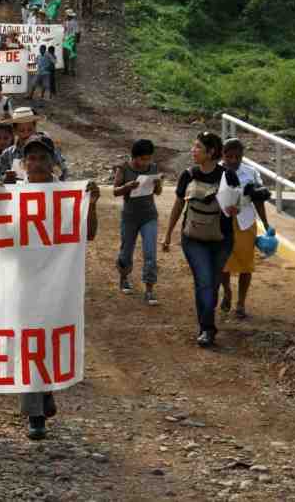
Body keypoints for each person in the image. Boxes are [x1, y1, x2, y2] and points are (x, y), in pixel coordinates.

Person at [6, 134, 99, 440]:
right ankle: (35, 413)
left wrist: (92, 203)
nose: (36, 163)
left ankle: (43, 391)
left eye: (42, 158)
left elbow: (89, 234)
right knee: (28, 342)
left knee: (46, 343)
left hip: (57, 283)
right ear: (23, 163)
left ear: (53, 162)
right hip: (23, 282)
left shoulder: (65, 194)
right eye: (30, 158)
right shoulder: (13, 193)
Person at [162, 132, 239, 348]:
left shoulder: (228, 176)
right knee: (204, 281)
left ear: (211, 152)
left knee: (211, 285)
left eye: (198, 147)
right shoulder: (188, 175)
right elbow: (179, 205)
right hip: (193, 238)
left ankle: (206, 319)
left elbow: (238, 206)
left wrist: (234, 209)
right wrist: (168, 233)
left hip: (221, 239)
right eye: (194, 146)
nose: (193, 151)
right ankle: (207, 328)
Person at [219, 138, 271, 319]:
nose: (233, 160)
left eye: (237, 157)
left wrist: (265, 223)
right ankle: (226, 291)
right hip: (222, 223)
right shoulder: (216, 172)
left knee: (246, 265)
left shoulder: (251, 173)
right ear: (222, 155)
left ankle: (241, 302)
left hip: (246, 223)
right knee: (222, 265)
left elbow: (259, 200)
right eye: (229, 156)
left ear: (242, 156)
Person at [113, 139, 162, 305]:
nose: (145, 162)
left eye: (148, 159)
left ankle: (149, 290)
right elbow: (115, 191)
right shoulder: (123, 168)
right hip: (130, 217)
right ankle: (124, 277)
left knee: (150, 254)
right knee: (126, 251)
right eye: (142, 159)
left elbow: (159, 192)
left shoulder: (153, 168)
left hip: (149, 216)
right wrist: (127, 186)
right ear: (134, 157)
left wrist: (157, 184)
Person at [0, 107, 68, 182]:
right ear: (15, 131)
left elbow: (64, 172)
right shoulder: (7, 154)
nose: (26, 134)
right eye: (22, 130)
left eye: (30, 129)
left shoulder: (49, 150)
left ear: (35, 127)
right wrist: (5, 179)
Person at [63, 9, 80, 76]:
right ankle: (69, 70)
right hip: (69, 40)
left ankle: (70, 70)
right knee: (69, 55)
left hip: (70, 40)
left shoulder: (73, 22)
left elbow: (77, 32)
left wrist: (75, 40)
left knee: (69, 55)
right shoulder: (68, 22)